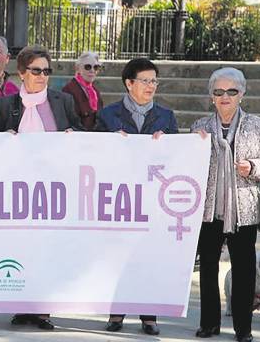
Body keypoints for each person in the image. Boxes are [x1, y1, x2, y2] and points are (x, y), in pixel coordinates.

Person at [0, 45, 80, 330]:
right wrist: (3, 138)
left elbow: (81, 132)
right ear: (21, 73)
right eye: (36, 70)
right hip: (16, 189)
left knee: (47, 247)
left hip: (53, 187)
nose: (42, 76)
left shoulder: (63, 101)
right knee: (19, 246)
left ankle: (43, 309)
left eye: (46, 71)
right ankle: (21, 306)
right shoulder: (6, 105)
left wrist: (72, 135)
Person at [191, 68, 260, 342]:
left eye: (231, 91)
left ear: (242, 94)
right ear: (211, 97)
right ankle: (209, 324)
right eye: (219, 92)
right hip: (208, 209)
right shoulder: (200, 128)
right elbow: (187, 165)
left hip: (245, 210)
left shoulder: (259, 126)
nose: (225, 96)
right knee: (207, 267)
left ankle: (243, 329)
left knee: (244, 269)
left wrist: (252, 167)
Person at [95, 58, 178, 336]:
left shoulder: (166, 117)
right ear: (129, 83)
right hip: (119, 196)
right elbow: (92, 152)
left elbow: (179, 156)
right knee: (118, 253)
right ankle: (116, 312)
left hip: (153, 196)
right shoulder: (108, 115)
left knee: (148, 254)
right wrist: (109, 143)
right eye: (145, 80)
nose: (151, 86)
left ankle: (149, 315)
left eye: (154, 81)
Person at [61, 52, 103, 131]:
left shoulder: (95, 92)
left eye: (96, 67)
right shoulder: (69, 90)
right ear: (78, 68)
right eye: (88, 67)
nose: (92, 70)